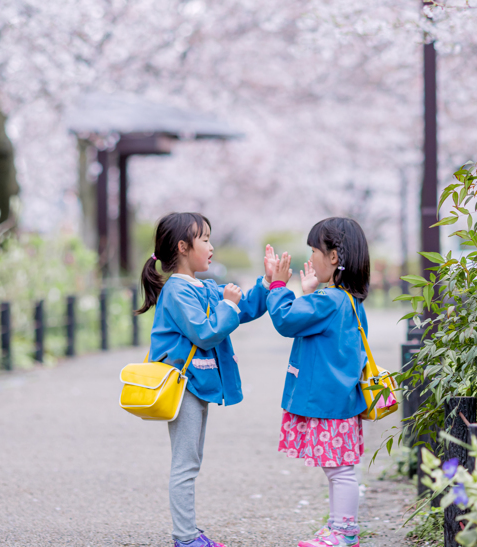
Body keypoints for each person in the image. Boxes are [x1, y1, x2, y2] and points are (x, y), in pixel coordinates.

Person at [138, 212, 277, 547]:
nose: (212, 247)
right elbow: (206, 331)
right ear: (184, 247)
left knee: (192, 460)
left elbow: (241, 309)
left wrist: (267, 283)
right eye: (205, 240)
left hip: (196, 384)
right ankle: (185, 537)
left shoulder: (202, 287)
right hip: (183, 385)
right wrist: (226, 306)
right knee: (185, 463)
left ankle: (189, 532)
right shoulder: (176, 292)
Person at [266, 217, 371, 547]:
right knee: (337, 469)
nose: (310, 259)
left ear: (335, 257)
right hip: (340, 400)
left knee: (339, 471)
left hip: (331, 403)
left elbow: (286, 319)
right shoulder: (345, 300)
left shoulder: (329, 301)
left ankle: (345, 531)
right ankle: (339, 526)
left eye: (314, 251)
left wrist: (278, 287)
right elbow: (310, 319)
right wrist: (308, 292)